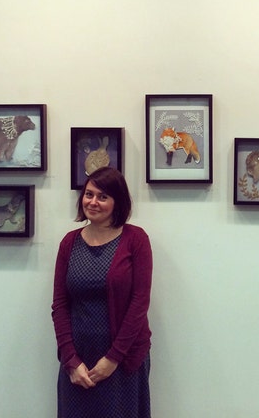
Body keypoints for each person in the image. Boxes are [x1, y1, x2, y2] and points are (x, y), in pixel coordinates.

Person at [51, 167, 153, 417]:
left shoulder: (136, 239)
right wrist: (70, 359)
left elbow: (139, 303)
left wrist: (113, 358)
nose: (93, 202)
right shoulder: (69, 242)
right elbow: (60, 304)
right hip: (78, 360)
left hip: (123, 358)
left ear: (118, 202)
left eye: (103, 196)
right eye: (89, 194)